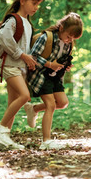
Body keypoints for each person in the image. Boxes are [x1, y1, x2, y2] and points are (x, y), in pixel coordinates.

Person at [0, 0, 44, 150]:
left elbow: (25, 48)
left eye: (38, 4)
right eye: (33, 3)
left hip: (20, 68)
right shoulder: (15, 19)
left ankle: (3, 141)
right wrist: (21, 55)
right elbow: (2, 36)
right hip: (10, 66)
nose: (36, 7)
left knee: (13, 102)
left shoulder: (27, 22)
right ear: (22, 1)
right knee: (24, 96)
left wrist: (29, 61)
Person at [25, 13, 83, 150]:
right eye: (69, 36)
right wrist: (50, 64)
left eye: (74, 38)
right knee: (50, 105)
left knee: (62, 103)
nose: (70, 40)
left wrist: (65, 66)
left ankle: (34, 109)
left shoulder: (69, 44)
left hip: (55, 76)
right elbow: (32, 57)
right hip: (41, 75)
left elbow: (60, 60)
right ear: (61, 28)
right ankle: (46, 141)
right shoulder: (46, 38)